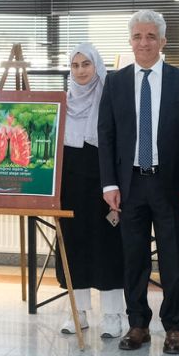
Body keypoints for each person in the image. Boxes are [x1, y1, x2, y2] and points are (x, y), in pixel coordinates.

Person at [97, 10, 179, 354]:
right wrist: (109, 184)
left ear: (163, 41)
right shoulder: (116, 82)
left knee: (173, 259)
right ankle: (138, 324)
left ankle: (174, 327)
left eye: (151, 36)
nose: (144, 42)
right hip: (129, 185)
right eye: (138, 36)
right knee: (133, 257)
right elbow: (106, 134)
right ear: (130, 41)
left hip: (169, 184)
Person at [56, 44, 124, 338]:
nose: (81, 70)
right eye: (75, 65)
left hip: (104, 185)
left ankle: (112, 315)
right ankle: (78, 312)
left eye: (86, 64)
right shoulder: (63, 102)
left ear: (97, 66)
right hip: (69, 185)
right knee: (73, 246)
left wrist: (115, 184)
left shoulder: (111, 99)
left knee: (108, 246)